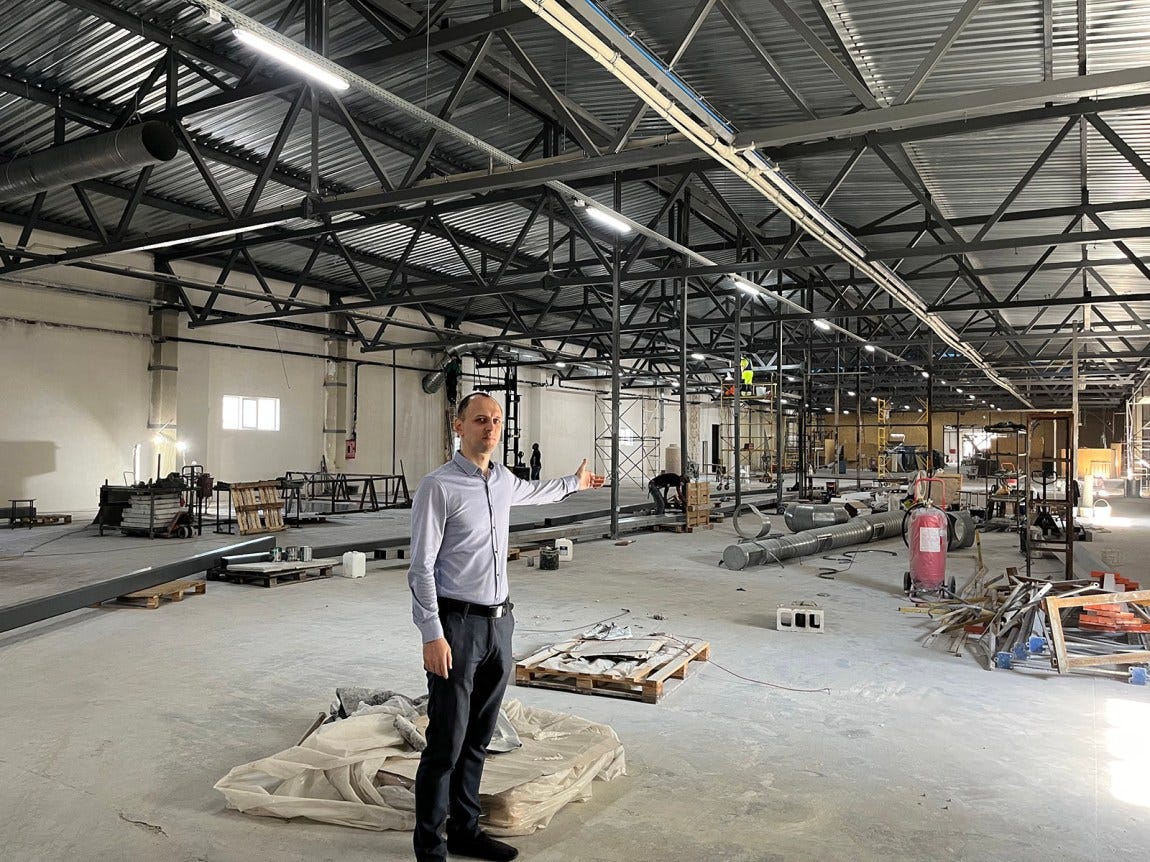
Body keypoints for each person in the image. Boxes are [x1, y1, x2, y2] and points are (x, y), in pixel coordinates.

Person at [409, 393, 604, 862]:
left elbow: (538, 492)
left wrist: (575, 482)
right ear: (459, 426)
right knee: (446, 743)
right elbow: (420, 568)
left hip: (500, 625)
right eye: (480, 419)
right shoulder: (439, 486)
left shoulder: (502, 480)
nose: (490, 427)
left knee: (479, 737)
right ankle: (430, 847)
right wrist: (432, 632)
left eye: (496, 420)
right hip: (457, 626)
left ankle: (465, 831)